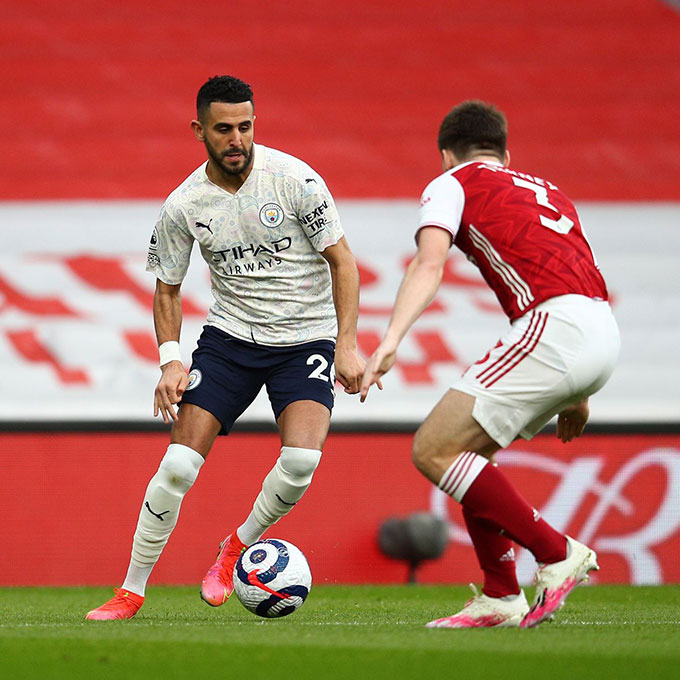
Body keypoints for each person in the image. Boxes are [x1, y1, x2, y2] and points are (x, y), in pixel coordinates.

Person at [86, 75, 367, 620]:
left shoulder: (295, 181)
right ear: (199, 131)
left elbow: (343, 261)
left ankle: (236, 546)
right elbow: (167, 285)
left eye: (245, 126)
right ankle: (131, 590)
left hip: (304, 337)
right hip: (230, 340)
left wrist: (348, 344)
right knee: (177, 467)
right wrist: (172, 359)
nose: (237, 138)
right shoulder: (185, 203)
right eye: (223, 129)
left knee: (303, 460)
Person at [360, 100, 619, 629]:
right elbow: (581, 273)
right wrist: (581, 393)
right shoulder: (550, 191)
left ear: (445, 154)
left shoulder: (452, 183)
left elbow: (429, 263)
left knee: (433, 448)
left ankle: (555, 552)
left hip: (554, 328)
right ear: (506, 151)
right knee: (470, 455)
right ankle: (501, 595)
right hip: (598, 329)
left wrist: (390, 338)